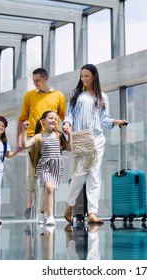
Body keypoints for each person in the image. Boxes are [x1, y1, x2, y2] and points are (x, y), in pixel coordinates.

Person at [62, 64, 127, 225]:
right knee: (79, 175)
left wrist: (115, 121)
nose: (84, 79)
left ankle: (92, 212)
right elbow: (69, 114)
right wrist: (67, 124)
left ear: (94, 77)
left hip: (97, 139)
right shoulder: (76, 94)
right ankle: (69, 204)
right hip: (80, 138)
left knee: (94, 176)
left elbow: (104, 118)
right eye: (82, 76)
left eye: (87, 76)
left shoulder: (102, 96)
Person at [17, 68, 66, 219]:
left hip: (53, 139)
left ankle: (43, 211)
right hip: (34, 138)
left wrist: (66, 135)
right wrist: (20, 140)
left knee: (49, 178)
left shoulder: (58, 95)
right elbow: (22, 117)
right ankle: (30, 200)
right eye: (33, 81)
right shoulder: (29, 95)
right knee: (33, 174)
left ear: (45, 79)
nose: (35, 83)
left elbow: (64, 117)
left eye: (37, 80)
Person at [22, 110, 72, 225]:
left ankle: (41, 213)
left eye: (55, 119)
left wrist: (70, 135)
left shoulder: (59, 135)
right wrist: (25, 131)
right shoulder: (39, 137)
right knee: (49, 188)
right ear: (43, 121)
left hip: (57, 166)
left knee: (48, 190)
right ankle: (50, 217)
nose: (54, 120)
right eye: (50, 118)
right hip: (44, 165)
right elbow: (25, 145)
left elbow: (69, 148)